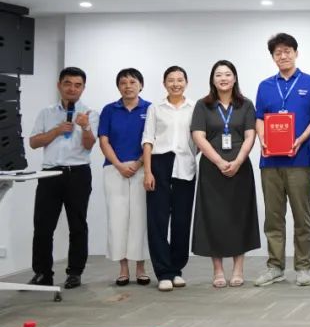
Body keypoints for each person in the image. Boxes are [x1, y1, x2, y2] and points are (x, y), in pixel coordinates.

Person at [253, 32, 310, 287]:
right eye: (278, 53)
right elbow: (260, 118)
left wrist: (299, 140)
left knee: (302, 217)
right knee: (273, 217)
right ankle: (275, 267)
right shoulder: (265, 86)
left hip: (300, 160)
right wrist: (263, 140)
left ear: (296, 53)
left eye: (287, 51)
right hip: (270, 162)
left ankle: (303, 268)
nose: (283, 56)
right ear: (273, 57)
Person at [27, 67, 98, 289]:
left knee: (77, 225)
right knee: (42, 226)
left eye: (78, 85)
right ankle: (42, 273)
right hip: (50, 174)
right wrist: (56, 131)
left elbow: (89, 145)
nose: (72, 89)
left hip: (78, 173)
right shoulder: (46, 112)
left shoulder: (89, 113)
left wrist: (85, 126)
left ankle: (75, 273)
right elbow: (34, 142)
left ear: (83, 88)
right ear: (59, 85)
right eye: (68, 83)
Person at [191, 60, 260, 288]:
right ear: (213, 79)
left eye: (228, 74)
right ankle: (218, 270)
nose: (223, 78)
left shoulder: (245, 104)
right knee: (214, 218)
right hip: (212, 168)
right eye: (219, 74)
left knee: (239, 217)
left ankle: (238, 269)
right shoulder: (203, 105)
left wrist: (238, 161)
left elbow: (250, 135)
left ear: (235, 78)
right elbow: (198, 136)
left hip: (240, 168)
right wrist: (220, 161)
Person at [142, 65, 197, 292]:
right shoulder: (155, 108)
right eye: (171, 80)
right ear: (164, 83)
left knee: (182, 221)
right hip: (159, 164)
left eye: (180, 80)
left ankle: (176, 269)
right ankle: (163, 272)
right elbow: (148, 140)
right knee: (158, 221)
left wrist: (192, 156)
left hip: (185, 165)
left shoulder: (195, 107)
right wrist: (148, 171)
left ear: (186, 82)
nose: (176, 84)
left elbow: (198, 139)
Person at [98, 68, 151, 286]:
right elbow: (104, 140)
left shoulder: (150, 109)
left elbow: (152, 140)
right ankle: (123, 268)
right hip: (114, 170)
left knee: (140, 219)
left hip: (142, 169)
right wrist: (119, 165)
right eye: (123, 82)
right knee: (117, 219)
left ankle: (141, 268)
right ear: (118, 86)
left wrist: (138, 163)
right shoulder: (109, 110)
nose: (128, 86)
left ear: (141, 85)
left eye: (132, 82)